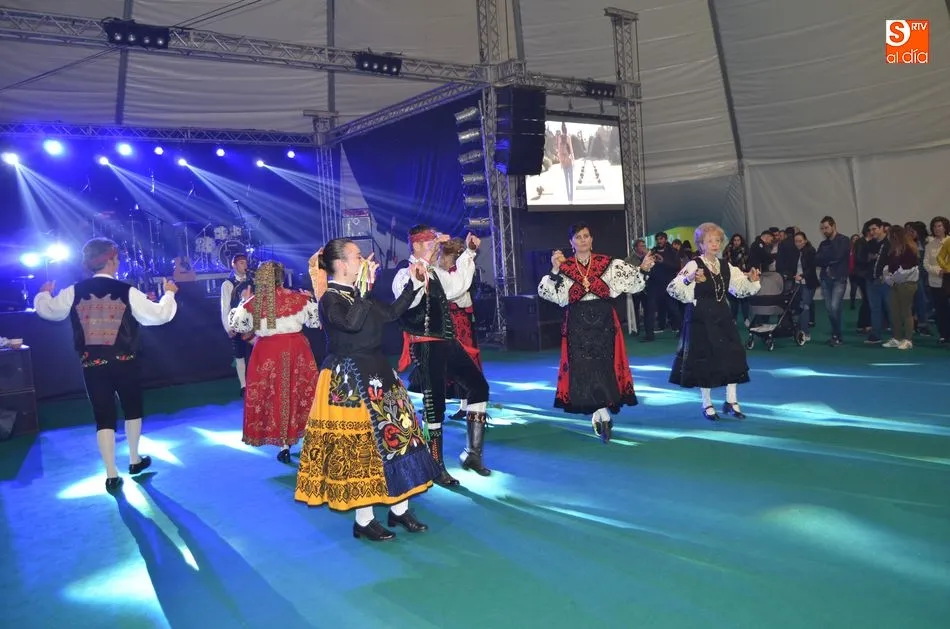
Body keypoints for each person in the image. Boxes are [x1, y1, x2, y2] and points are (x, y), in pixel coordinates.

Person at [295, 239, 441, 541]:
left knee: (399, 438)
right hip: (349, 379)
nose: (364, 260)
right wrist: (363, 290)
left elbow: (392, 313)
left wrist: (414, 283)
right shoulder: (330, 299)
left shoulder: (359, 294)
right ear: (341, 264)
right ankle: (364, 520)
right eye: (358, 256)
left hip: (378, 372)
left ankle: (399, 510)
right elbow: (350, 324)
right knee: (361, 450)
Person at [33, 238, 178, 492]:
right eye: (117, 258)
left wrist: (44, 293)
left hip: (92, 363)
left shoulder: (73, 291)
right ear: (110, 260)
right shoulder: (127, 291)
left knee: (103, 416)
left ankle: (111, 474)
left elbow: (49, 311)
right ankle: (134, 459)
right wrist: (169, 294)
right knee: (132, 408)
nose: (118, 262)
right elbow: (159, 315)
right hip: (125, 362)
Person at [538, 222, 656, 441]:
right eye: (578, 237)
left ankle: (599, 414)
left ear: (592, 239)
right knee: (584, 369)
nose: (583, 240)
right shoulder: (564, 267)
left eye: (586, 236)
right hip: (577, 323)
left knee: (602, 367)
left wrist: (644, 269)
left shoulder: (607, 263)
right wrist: (554, 270)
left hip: (604, 322)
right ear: (571, 242)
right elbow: (549, 294)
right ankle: (602, 414)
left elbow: (633, 283)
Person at [392, 225, 491, 487]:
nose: (435, 247)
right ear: (415, 246)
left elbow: (459, 285)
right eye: (430, 243)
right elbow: (409, 302)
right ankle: (434, 466)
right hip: (425, 346)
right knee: (434, 404)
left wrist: (469, 253)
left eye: (435, 242)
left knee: (479, 386)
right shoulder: (404, 274)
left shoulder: (436, 273)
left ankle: (472, 454)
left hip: (447, 342)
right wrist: (423, 266)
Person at [667, 223, 762, 420]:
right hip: (700, 318)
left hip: (722, 316)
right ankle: (707, 404)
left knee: (734, 355)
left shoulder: (725, 265)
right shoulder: (694, 265)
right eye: (709, 241)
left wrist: (752, 280)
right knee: (705, 359)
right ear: (701, 244)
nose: (714, 244)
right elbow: (674, 288)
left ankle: (731, 401)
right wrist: (690, 279)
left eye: (717, 240)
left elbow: (739, 287)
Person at [228, 261, 320, 462]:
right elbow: (316, 322)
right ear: (281, 277)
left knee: (276, 394)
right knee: (297, 391)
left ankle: (284, 444)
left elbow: (237, 326)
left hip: (268, 352)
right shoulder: (298, 298)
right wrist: (311, 298)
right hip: (296, 350)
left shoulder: (253, 302)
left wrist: (242, 302)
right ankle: (306, 437)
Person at [219, 253, 254, 397]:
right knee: (239, 355)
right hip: (238, 323)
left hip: (253, 323)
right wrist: (228, 327)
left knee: (254, 353)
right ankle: (243, 385)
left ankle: (254, 382)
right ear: (233, 265)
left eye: (245, 262)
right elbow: (225, 306)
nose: (244, 265)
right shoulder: (228, 284)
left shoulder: (252, 280)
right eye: (241, 263)